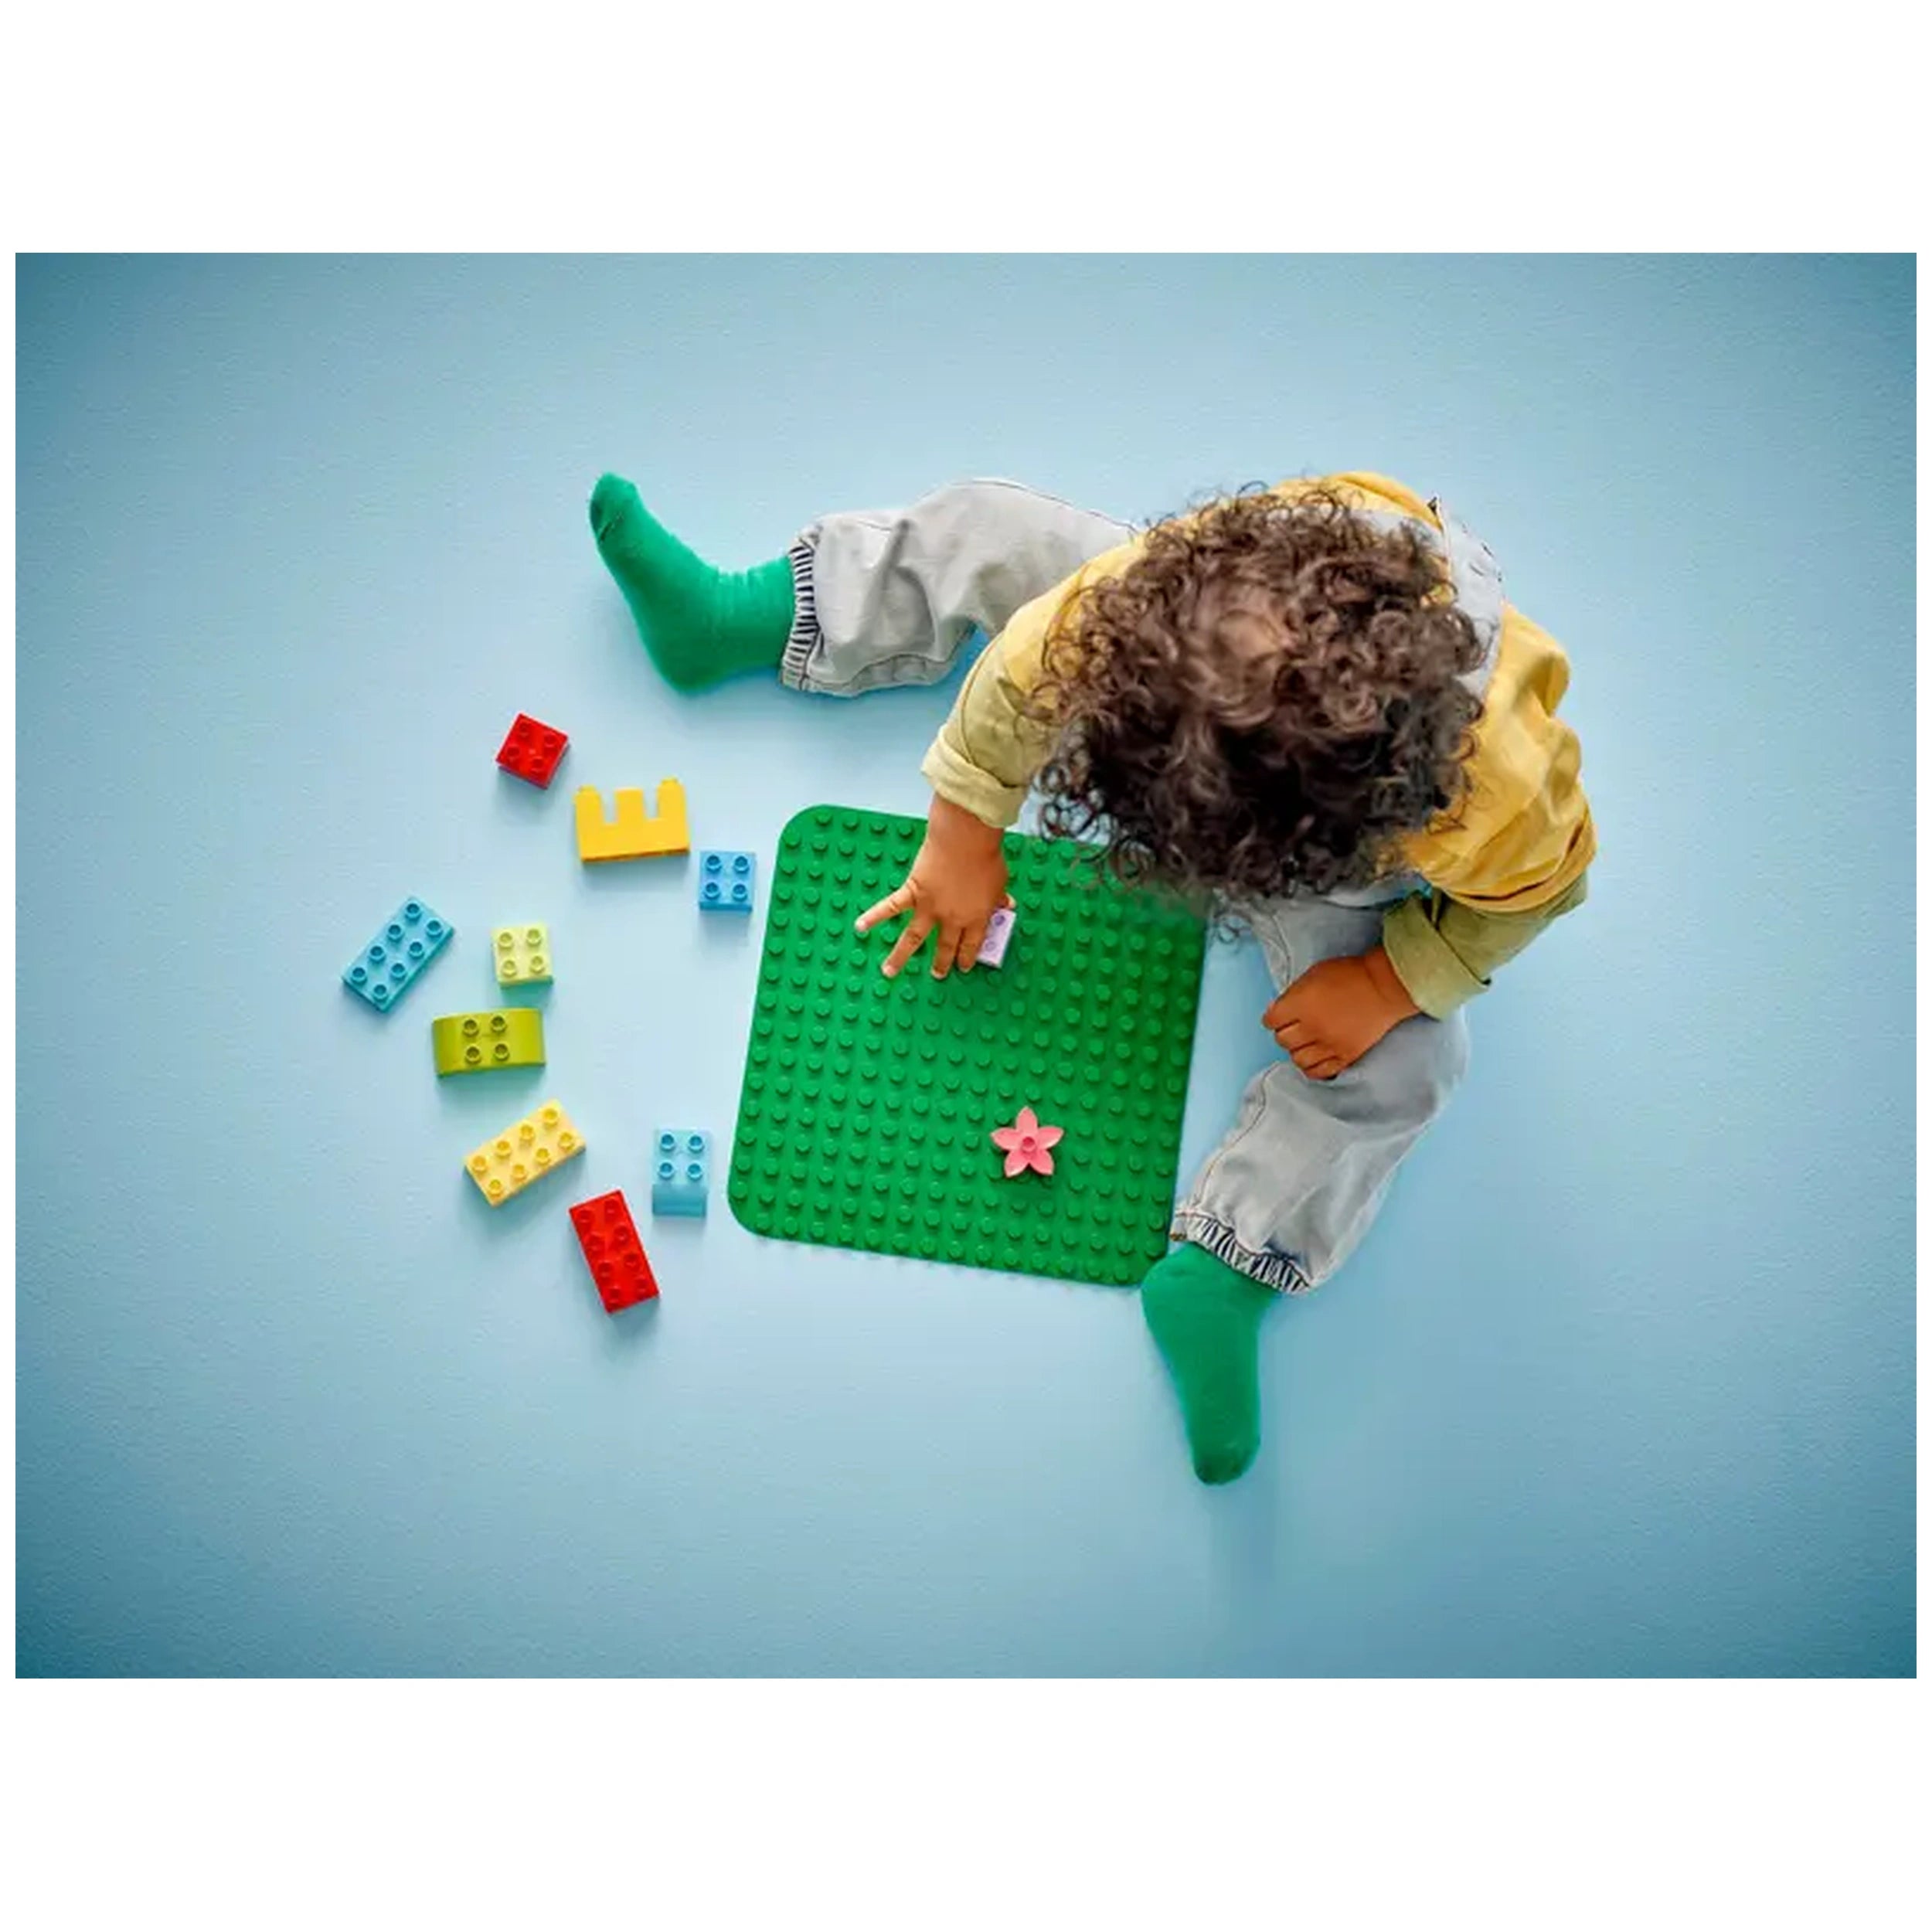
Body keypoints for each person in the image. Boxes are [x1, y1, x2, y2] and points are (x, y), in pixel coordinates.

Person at [589, 470, 1596, 1484]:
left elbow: (1538, 894)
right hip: (1213, 705)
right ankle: (751, 617)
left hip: (1358, 860)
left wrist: (1391, 979)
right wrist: (964, 828)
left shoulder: (1495, 794)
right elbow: (1030, 664)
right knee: (994, 530)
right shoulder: (1167, 601)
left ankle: (1230, 1265)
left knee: (1412, 1068)